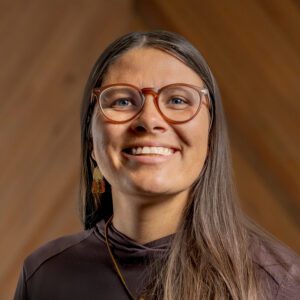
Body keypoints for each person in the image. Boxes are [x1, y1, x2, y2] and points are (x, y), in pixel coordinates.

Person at [14, 31, 300, 300]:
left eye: (177, 100)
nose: (149, 120)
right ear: (91, 139)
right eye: (123, 101)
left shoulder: (276, 283)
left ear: (211, 136)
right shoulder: (44, 276)